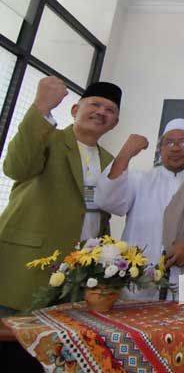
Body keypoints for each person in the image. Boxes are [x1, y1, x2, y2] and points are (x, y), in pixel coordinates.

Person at [0, 76, 121, 313]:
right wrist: (41, 108)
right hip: (27, 266)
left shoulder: (109, 161)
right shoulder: (48, 139)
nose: (101, 112)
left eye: (110, 110)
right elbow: (16, 168)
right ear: (75, 109)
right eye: (95, 104)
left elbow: (101, 217)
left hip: (77, 278)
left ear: (114, 123)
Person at [96, 118, 184, 300]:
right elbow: (106, 200)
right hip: (138, 283)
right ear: (161, 148)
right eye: (169, 142)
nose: (175, 148)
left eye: (183, 142)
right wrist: (126, 153)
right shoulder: (139, 181)